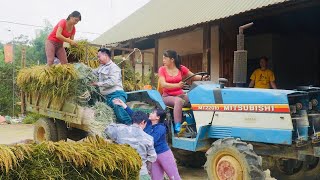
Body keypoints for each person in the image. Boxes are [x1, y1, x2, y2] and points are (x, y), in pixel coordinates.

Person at [113, 98, 181, 180]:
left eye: (153, 113)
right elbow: (135, 115)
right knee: (156, 178)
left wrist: (136, 136)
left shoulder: (161, 128)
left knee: (174, 177)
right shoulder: (148, 123)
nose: (150, 114)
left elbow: (152, 140)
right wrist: (124, 105)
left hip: (164, 155)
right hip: (153, 157)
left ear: (157, 117)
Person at [158, 50, 209, 133]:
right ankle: (178, 127)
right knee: (178, 101)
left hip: (180, 95)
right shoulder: (162, 69)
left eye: (165, 58)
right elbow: (163, 84)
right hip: (167, 97)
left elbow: (193, 76)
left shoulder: (181, 68)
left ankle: (199, 123)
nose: (163, 60)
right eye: (163, 58)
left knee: (194, 97)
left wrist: (203, 78)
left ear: (172, 59)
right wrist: (177, 85)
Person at [105, 111, 157, 180]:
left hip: (122, 172)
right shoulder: (149, 138)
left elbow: (107, 129)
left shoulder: (120, 129)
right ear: (143, 122)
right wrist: (147, 170)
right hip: (141, 173)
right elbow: (152, 157)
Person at [91, 48, 131, 124]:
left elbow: (112, 81)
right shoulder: (101, 67)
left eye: (99, 56)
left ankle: (129, 125)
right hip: (106, 97)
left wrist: (97, 83)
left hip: (116, 94)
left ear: (105, 55)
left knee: (117, 105)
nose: (98, 59)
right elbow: (93, 72)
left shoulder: (114, 68)